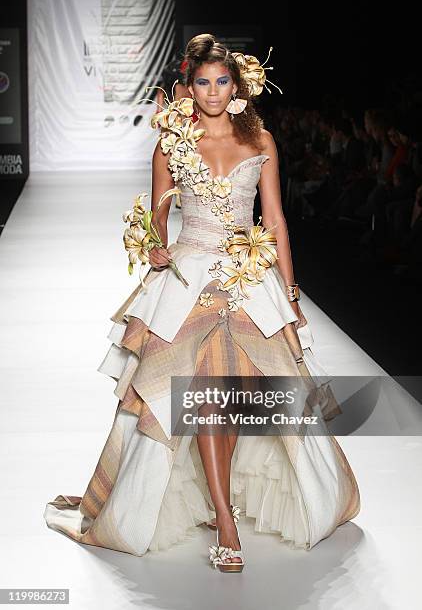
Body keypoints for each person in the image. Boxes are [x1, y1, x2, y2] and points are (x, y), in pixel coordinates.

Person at [44, 33, 360, 573]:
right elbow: (157, 213)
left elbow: (276, 219)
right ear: (188, 87)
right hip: (189, 279)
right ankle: (224, 516)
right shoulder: (172, 141)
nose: (213, 90)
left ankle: (222, 502)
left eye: (222, 81)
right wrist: (155, 247)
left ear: (236, 85)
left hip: (248, 278)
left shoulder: (260, 140)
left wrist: (289, 292)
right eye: (203, 82)